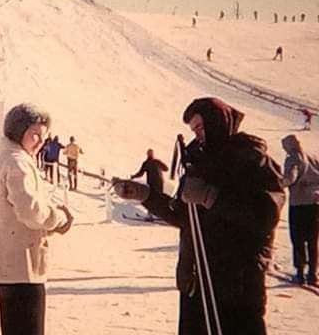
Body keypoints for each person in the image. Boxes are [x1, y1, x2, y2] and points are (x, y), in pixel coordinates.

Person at [113, 97, 284, 334]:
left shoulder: (251, 158)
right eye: (194, 129)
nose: (198, 134)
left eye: (201, 127)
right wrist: (145, 195)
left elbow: (265, 214)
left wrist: (210, 196)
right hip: (196, 279)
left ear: (218, 122)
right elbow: (185, 217)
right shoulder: (199, 163)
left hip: (236, 283)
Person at [0, 103, 73, 335]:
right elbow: (30, 211)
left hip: (7, 265)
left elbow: (14, 213)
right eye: (35, 134)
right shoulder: (17, 162)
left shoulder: (3, 160)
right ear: (18, 131)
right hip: (22, 267)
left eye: (43, 135)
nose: (40, 141)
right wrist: (58, 219)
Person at [280, 135, 319, 285]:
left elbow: (291, 178)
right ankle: (313, 274)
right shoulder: (313, 157)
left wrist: (278, 184)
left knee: (298, 239)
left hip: (298, 204)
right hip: (315, 203)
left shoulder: (292, 159)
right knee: (313, 239)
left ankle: (300, 273)